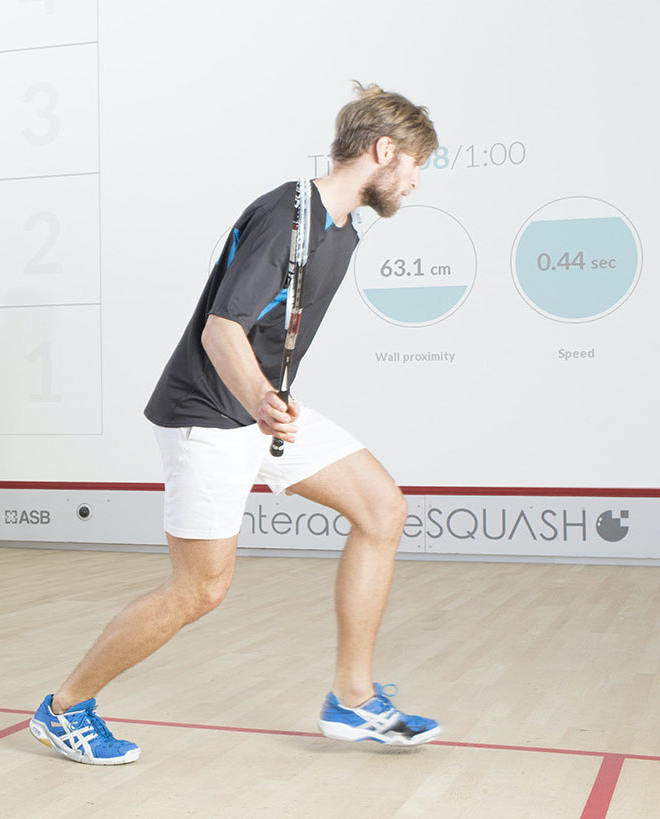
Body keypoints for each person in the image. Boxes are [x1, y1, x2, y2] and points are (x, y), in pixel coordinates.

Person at [29, 83, 441, 764]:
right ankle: (63, 707)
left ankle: (352, 697)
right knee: (201, 588)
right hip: (208, 414)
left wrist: (264, 402)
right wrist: (257, 398)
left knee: (380, 508)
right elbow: (223, 330)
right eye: (414, 163)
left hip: (259, 411)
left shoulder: (341, 228)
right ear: (382, 150)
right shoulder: (289, 215)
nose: (417, 181)